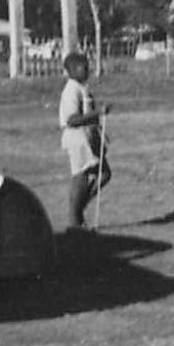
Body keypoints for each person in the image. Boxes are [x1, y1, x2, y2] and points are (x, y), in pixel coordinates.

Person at [58, 51, 111, 230]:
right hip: (76, 137)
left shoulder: (83, 87)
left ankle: (79, 208)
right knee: (80, 177)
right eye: (84, 67)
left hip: (88, 135)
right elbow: (72, 119)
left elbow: (88, 114)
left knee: (104, 173)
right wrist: (98, 113)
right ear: (72, 70)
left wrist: (98, 130)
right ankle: (74, 220)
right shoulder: (71, 90)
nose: (87, 69)